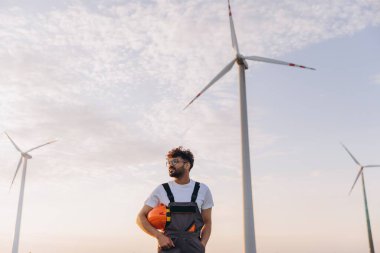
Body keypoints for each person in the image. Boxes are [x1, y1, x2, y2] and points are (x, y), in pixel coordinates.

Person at [136, 146, 214, 253]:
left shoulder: (202, 189)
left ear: (187, 165)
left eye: (175, 161)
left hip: (194, 248)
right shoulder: (162, 189)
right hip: (168, 247)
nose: (170, 165)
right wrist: (159, 236)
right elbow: (140, 218)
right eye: (168, 162)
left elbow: (208, 222)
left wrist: (202, 245)